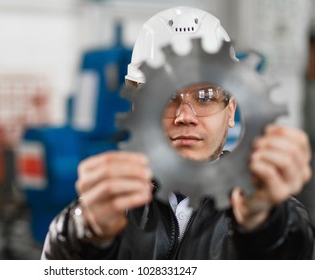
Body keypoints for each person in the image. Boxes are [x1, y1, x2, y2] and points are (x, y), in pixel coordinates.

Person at [41, 6, 314, 259]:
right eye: (165, 96)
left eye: (205, 96)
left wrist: (267, 227)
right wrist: (84, 229)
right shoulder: (109, 206)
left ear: (231, 111)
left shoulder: (266, 210)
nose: (185, 116)